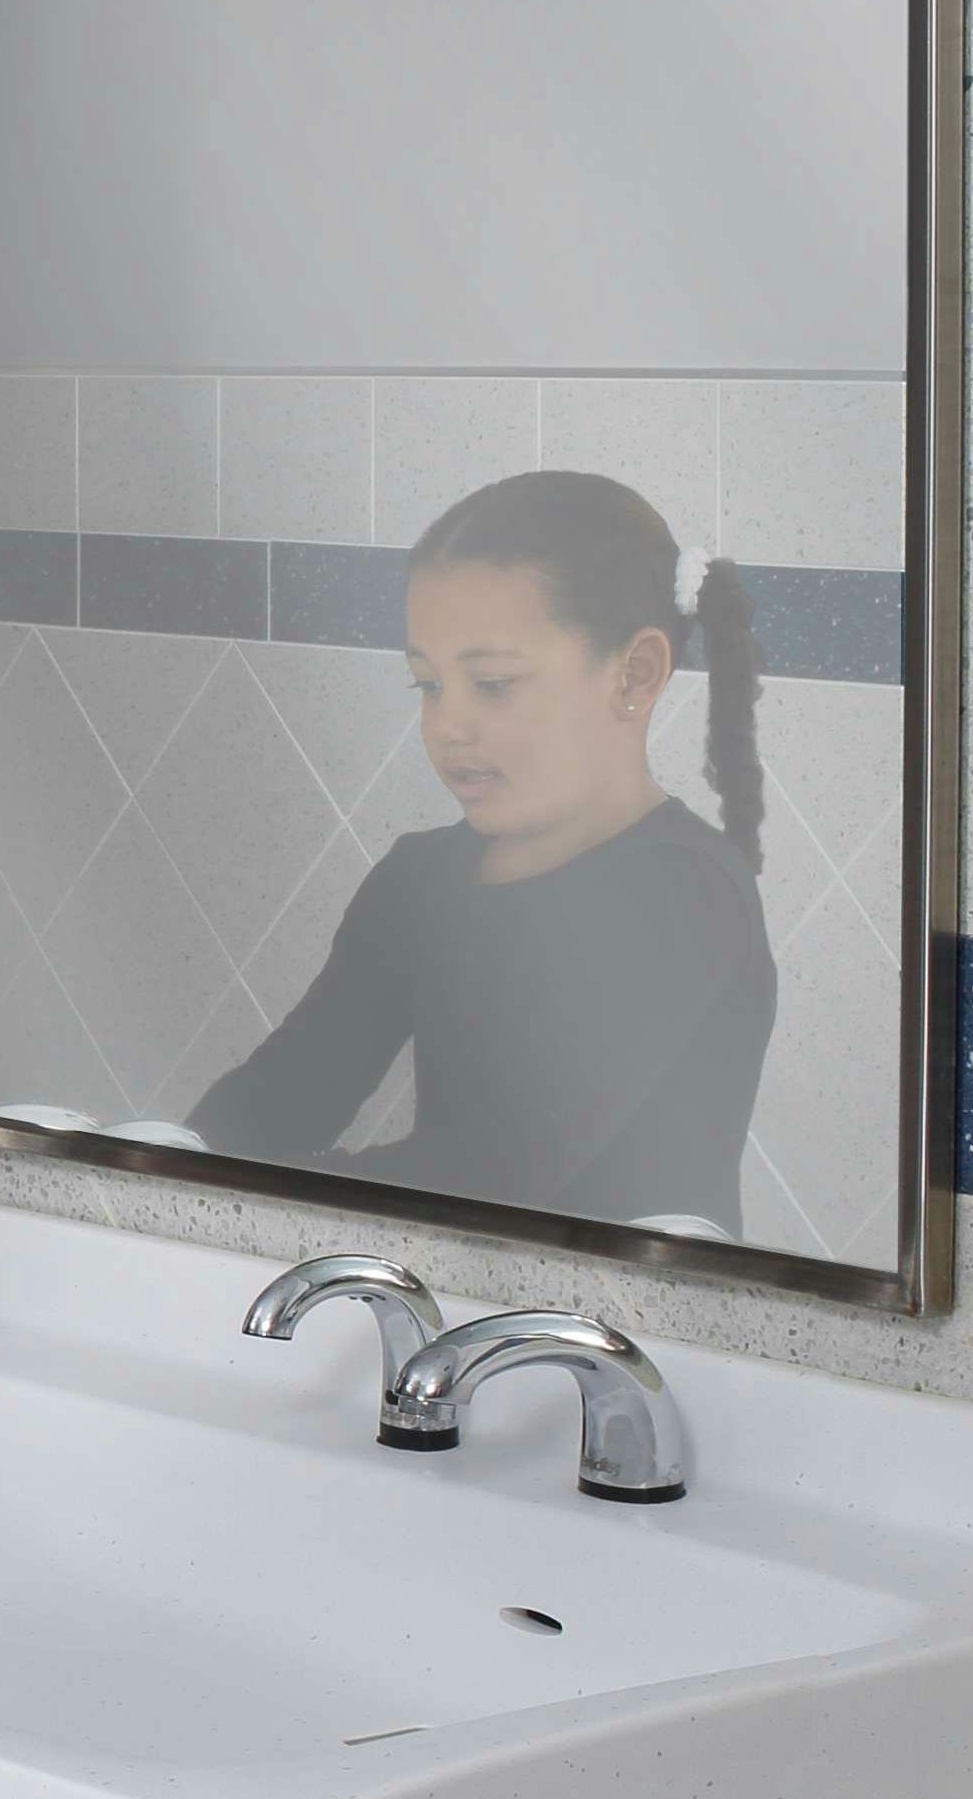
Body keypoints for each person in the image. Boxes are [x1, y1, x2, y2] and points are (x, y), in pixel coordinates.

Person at [184, 469, 778, 1236]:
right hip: (460, 1300)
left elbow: (498, 1172)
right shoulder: (419, 880)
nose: (448, 726)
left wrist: (243, 1192)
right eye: (426, 685)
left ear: (634, 674)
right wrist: (182, 1155)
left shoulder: (687, 894)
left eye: (493, 684)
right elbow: (284, 1093)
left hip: (627, 1337)